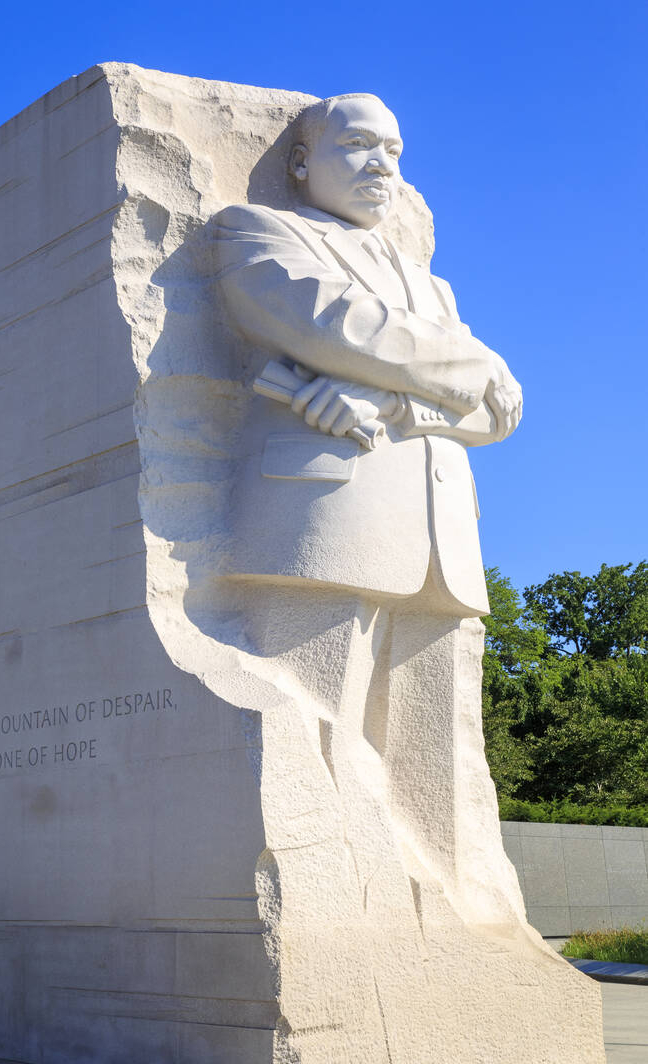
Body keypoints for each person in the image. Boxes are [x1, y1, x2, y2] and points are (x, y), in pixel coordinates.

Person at [211, 94, 528, 931]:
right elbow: (330, 321)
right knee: (309, 741)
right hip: (324, 518)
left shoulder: (432, 286)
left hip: (438, 536)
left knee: (441, 768)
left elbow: (502, 409)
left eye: (392, 149)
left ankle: (457, 929)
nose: (381, 163)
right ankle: (324, 922)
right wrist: (461, 366)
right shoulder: (257, 232)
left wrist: (393, 405)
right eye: (356, 145)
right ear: (302, 162)